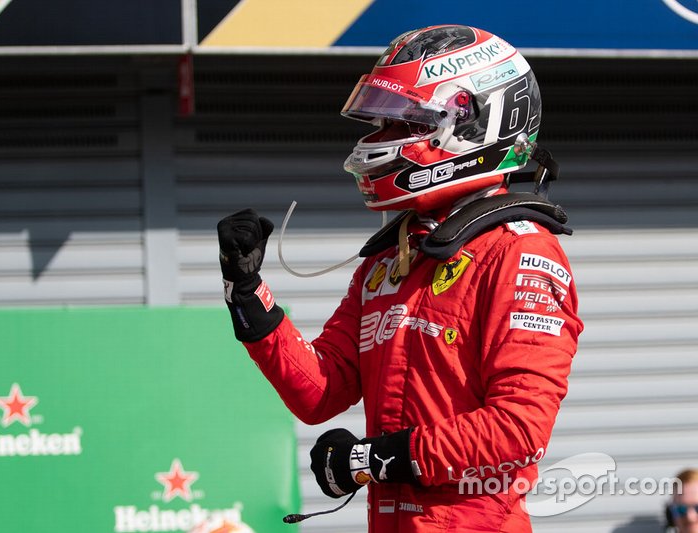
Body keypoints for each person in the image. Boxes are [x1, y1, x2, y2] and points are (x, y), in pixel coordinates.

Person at [217, 25, 583, 532]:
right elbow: (320, 392)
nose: (379, 139)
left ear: (469, 123)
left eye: (401, 124)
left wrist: (374, 459)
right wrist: (248, 295)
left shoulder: (519, 251)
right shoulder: (392, 258)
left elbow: (519, 430)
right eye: (381, 123)